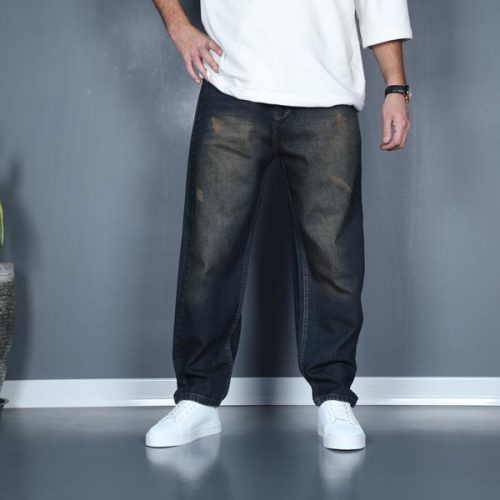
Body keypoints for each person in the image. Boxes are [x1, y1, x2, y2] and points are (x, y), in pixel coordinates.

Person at [146, 0, 413, 450]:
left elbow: (381, 4)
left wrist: (396, 88)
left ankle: (334, 398)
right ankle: (198, 398)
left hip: (326, 95)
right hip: (233, 87)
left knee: (334, 260)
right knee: (210, 254)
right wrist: (178, 25)